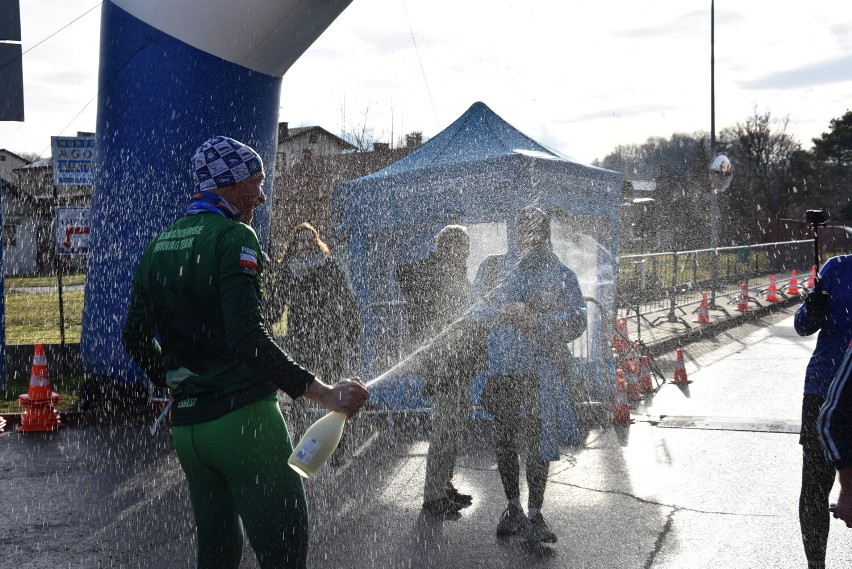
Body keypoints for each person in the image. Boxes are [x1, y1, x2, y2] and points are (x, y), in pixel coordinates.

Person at [122, 135, 368, 569]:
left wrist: (175, 381)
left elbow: (134, 338)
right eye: (257, 181)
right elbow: (247, 337)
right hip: (245, 425)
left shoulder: (159, 245)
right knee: (285, 551)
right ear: (232, 184)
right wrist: (326, 395)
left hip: (190, 431)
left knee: (216, 554)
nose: (262, 193)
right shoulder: (235, 235)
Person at [468, 206, 587, 544]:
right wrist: (499, 312)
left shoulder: (561, 274)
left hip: (540, 373)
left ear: (546, 235)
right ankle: (512, 506)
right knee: (504, 439)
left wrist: (541, 323)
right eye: (524, 231)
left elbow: (578, 318)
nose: (530, 238)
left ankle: (536, 511)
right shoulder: (492, 268)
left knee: (538, 442)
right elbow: (473, 309)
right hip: (502, 369)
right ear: (514, 233)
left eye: (537, 232)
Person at [395, 225, 479, 518]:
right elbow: (404, 275)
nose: (467, 253)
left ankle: (444, 486)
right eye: (463, 247)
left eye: (467, 248)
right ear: (448, 247)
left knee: (454, 430)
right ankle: (433, 497)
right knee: (444, 430)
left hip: (459, 363)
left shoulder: (455, 271)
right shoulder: (434, 269)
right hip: (443, 365)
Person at [266, 221, 361, 466]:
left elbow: (346, 300)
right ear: (294, 245)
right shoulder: (288, 270)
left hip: (330, 337)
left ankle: (338, 447)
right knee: (298, 390)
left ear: (316, 243)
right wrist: (265, 320)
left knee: (336, 391)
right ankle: (300, 442)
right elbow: (277, 306)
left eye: (310, 241)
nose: (305, 245)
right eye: (300, 241)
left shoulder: (328, 266)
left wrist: (352, 331)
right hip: (300, 339)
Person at [793, 253, 852, 568]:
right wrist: (811, 309)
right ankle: (815, 565)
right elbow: (802, 325)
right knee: (815, 488)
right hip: (823, 390)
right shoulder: (837, 268)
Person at [819, 340, 852, 528]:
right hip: (820, 385)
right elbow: (832, 420)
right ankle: (815, 558)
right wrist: (849, 489)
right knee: (815, 488)